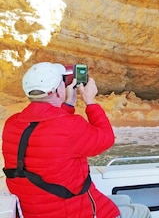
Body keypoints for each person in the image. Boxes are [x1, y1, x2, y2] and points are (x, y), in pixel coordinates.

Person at [2, 62, 151, 218]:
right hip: (72, 211)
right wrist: (90, 101)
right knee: (141, 211)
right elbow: (106, 138)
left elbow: (47, 129)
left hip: (36, 210)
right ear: (58, 91)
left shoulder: (12, 124)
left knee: (124, 199)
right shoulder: (69, 127)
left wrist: (68, 104)